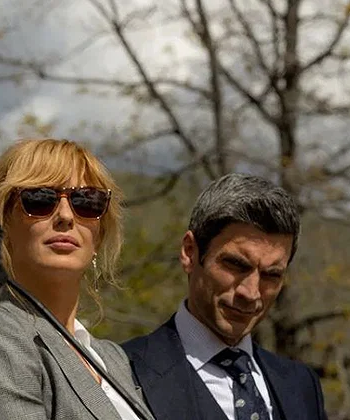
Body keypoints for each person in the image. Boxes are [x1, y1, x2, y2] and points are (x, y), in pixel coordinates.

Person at [0, 139, 155, 420]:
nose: (65, 216)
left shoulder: (113, 360)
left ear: (98, 234)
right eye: (40, 199)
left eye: (87, 202)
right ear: (4, 224)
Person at [122, 173, 328, 420]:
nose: (250, 293)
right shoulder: (123, 373)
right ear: (190, 252)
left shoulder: (301, 385)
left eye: (271, 275)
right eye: (235, 265)